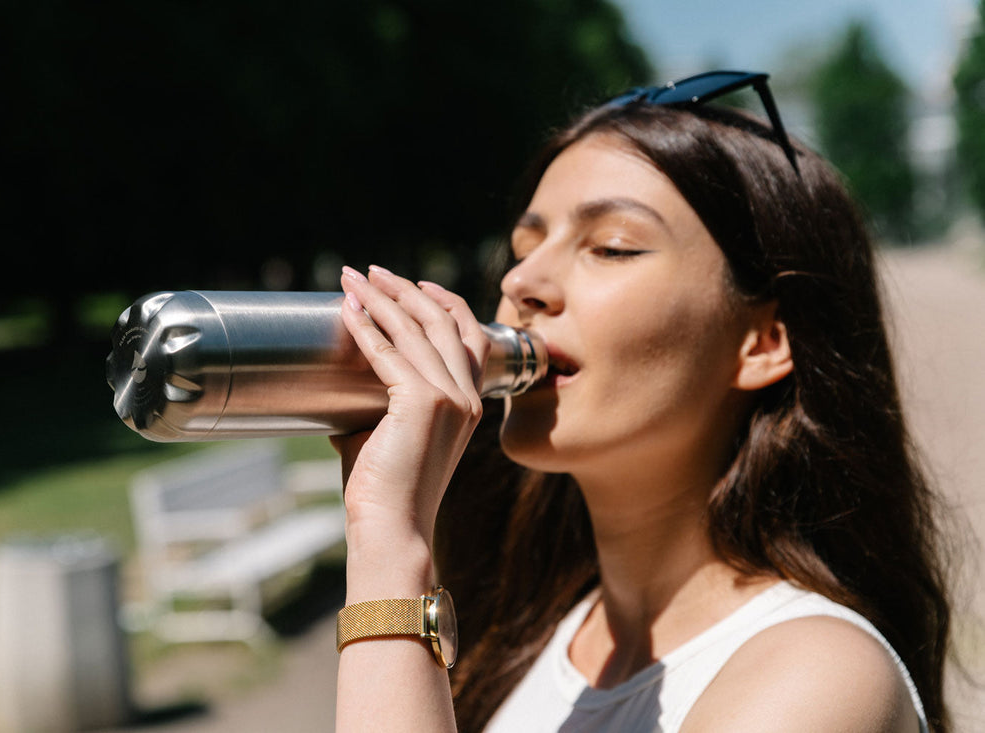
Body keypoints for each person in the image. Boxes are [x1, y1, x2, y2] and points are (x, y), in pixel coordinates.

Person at [330, 70, 953, 732]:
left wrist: (389, 548)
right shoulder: (534, 633)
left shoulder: (820, 676)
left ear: (765, 341)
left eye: (611, 247)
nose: (521, 282)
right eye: (524, 247)